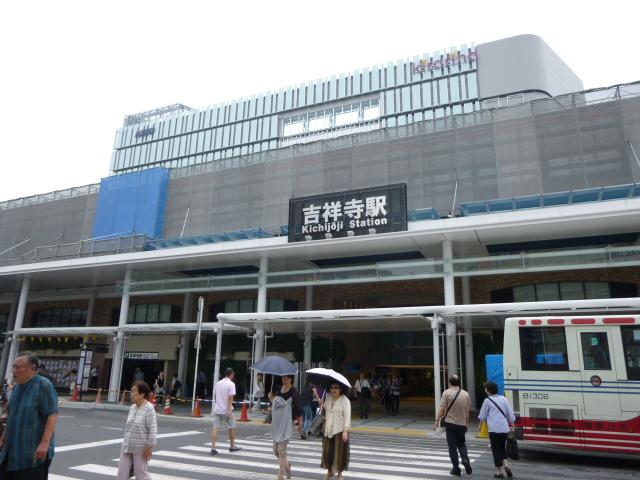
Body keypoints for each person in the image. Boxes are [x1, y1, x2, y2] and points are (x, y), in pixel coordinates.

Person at [0, 352, 58, 480]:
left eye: (18, 367)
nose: (14, 370)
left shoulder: (43, 385)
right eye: (13, 367)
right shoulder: (16, 388)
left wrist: (45, 443)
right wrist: (3, 438)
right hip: (10, 450)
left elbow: (52, 414)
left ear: (32, 369)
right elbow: (12, 416)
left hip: (32, 452)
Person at [116, 381, 157, 480]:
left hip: (140, 448)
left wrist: (149, 447)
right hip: (127, 446)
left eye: (134, 391)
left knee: (140, 474)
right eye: (131, 391)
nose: (131, 394)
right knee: (122, 473)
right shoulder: (132, 408)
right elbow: (128, 428)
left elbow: (152, 429)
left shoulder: (149, 408)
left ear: (142, 394)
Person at [434, 374, 472, 477]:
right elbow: (467, 411)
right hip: (462, 424)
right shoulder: (465, 394)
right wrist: (466, 423)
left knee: (452, 446)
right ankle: (465, 459)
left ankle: (456, 469)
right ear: (459, 382)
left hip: (450, 424)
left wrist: (437, 420)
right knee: (461, 443)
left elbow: (442, 408)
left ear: (449, 382)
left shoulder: (446, 393)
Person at [269, 375, 305, 480]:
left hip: (287, 423)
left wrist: (300, 424)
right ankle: (287, 466)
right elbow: (275, 404)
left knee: (281, 450)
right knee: (275, 450)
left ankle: (280, 476)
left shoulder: (294, 392)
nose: (284, 380)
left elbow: (299, 409)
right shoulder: (277, 389)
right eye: (283, 378)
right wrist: (271, 398)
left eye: (287, 378)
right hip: (277, 423)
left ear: (291, 379)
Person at [478, 380, 516, 479]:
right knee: (502, 448)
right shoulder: (504, 399)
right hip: (504, 428)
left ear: (488, 390)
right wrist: (512, 425)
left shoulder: (487, 401)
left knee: (496, 450)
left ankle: (499, 472)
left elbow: (482, 416)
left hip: (493, 429)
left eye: (485, 388)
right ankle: (506, 465)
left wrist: (480, 426)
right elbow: (510, 414)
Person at [321, 382, 351, 480]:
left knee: (340, 453)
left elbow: (347, 417)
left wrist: (345, 431)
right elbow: (323, 415)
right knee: (328, 453)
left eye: (336, 388)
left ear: (340, 389)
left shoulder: (345, 400)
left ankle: (340, 474)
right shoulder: (328, 398)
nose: (333, 389)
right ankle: (330, 471)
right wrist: (322, 404)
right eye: (332, 387)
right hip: (328, 430)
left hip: (340, 431)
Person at [210, 367, 241, 455]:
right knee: (232, 427)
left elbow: (215, 396)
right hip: (227, 410)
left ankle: (213, 448)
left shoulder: (218, 383)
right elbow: (230, 398)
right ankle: (232, 446)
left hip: (218, 409)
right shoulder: (231, 384)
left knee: (216, 428)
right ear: (231, 374)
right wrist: (229, 410)